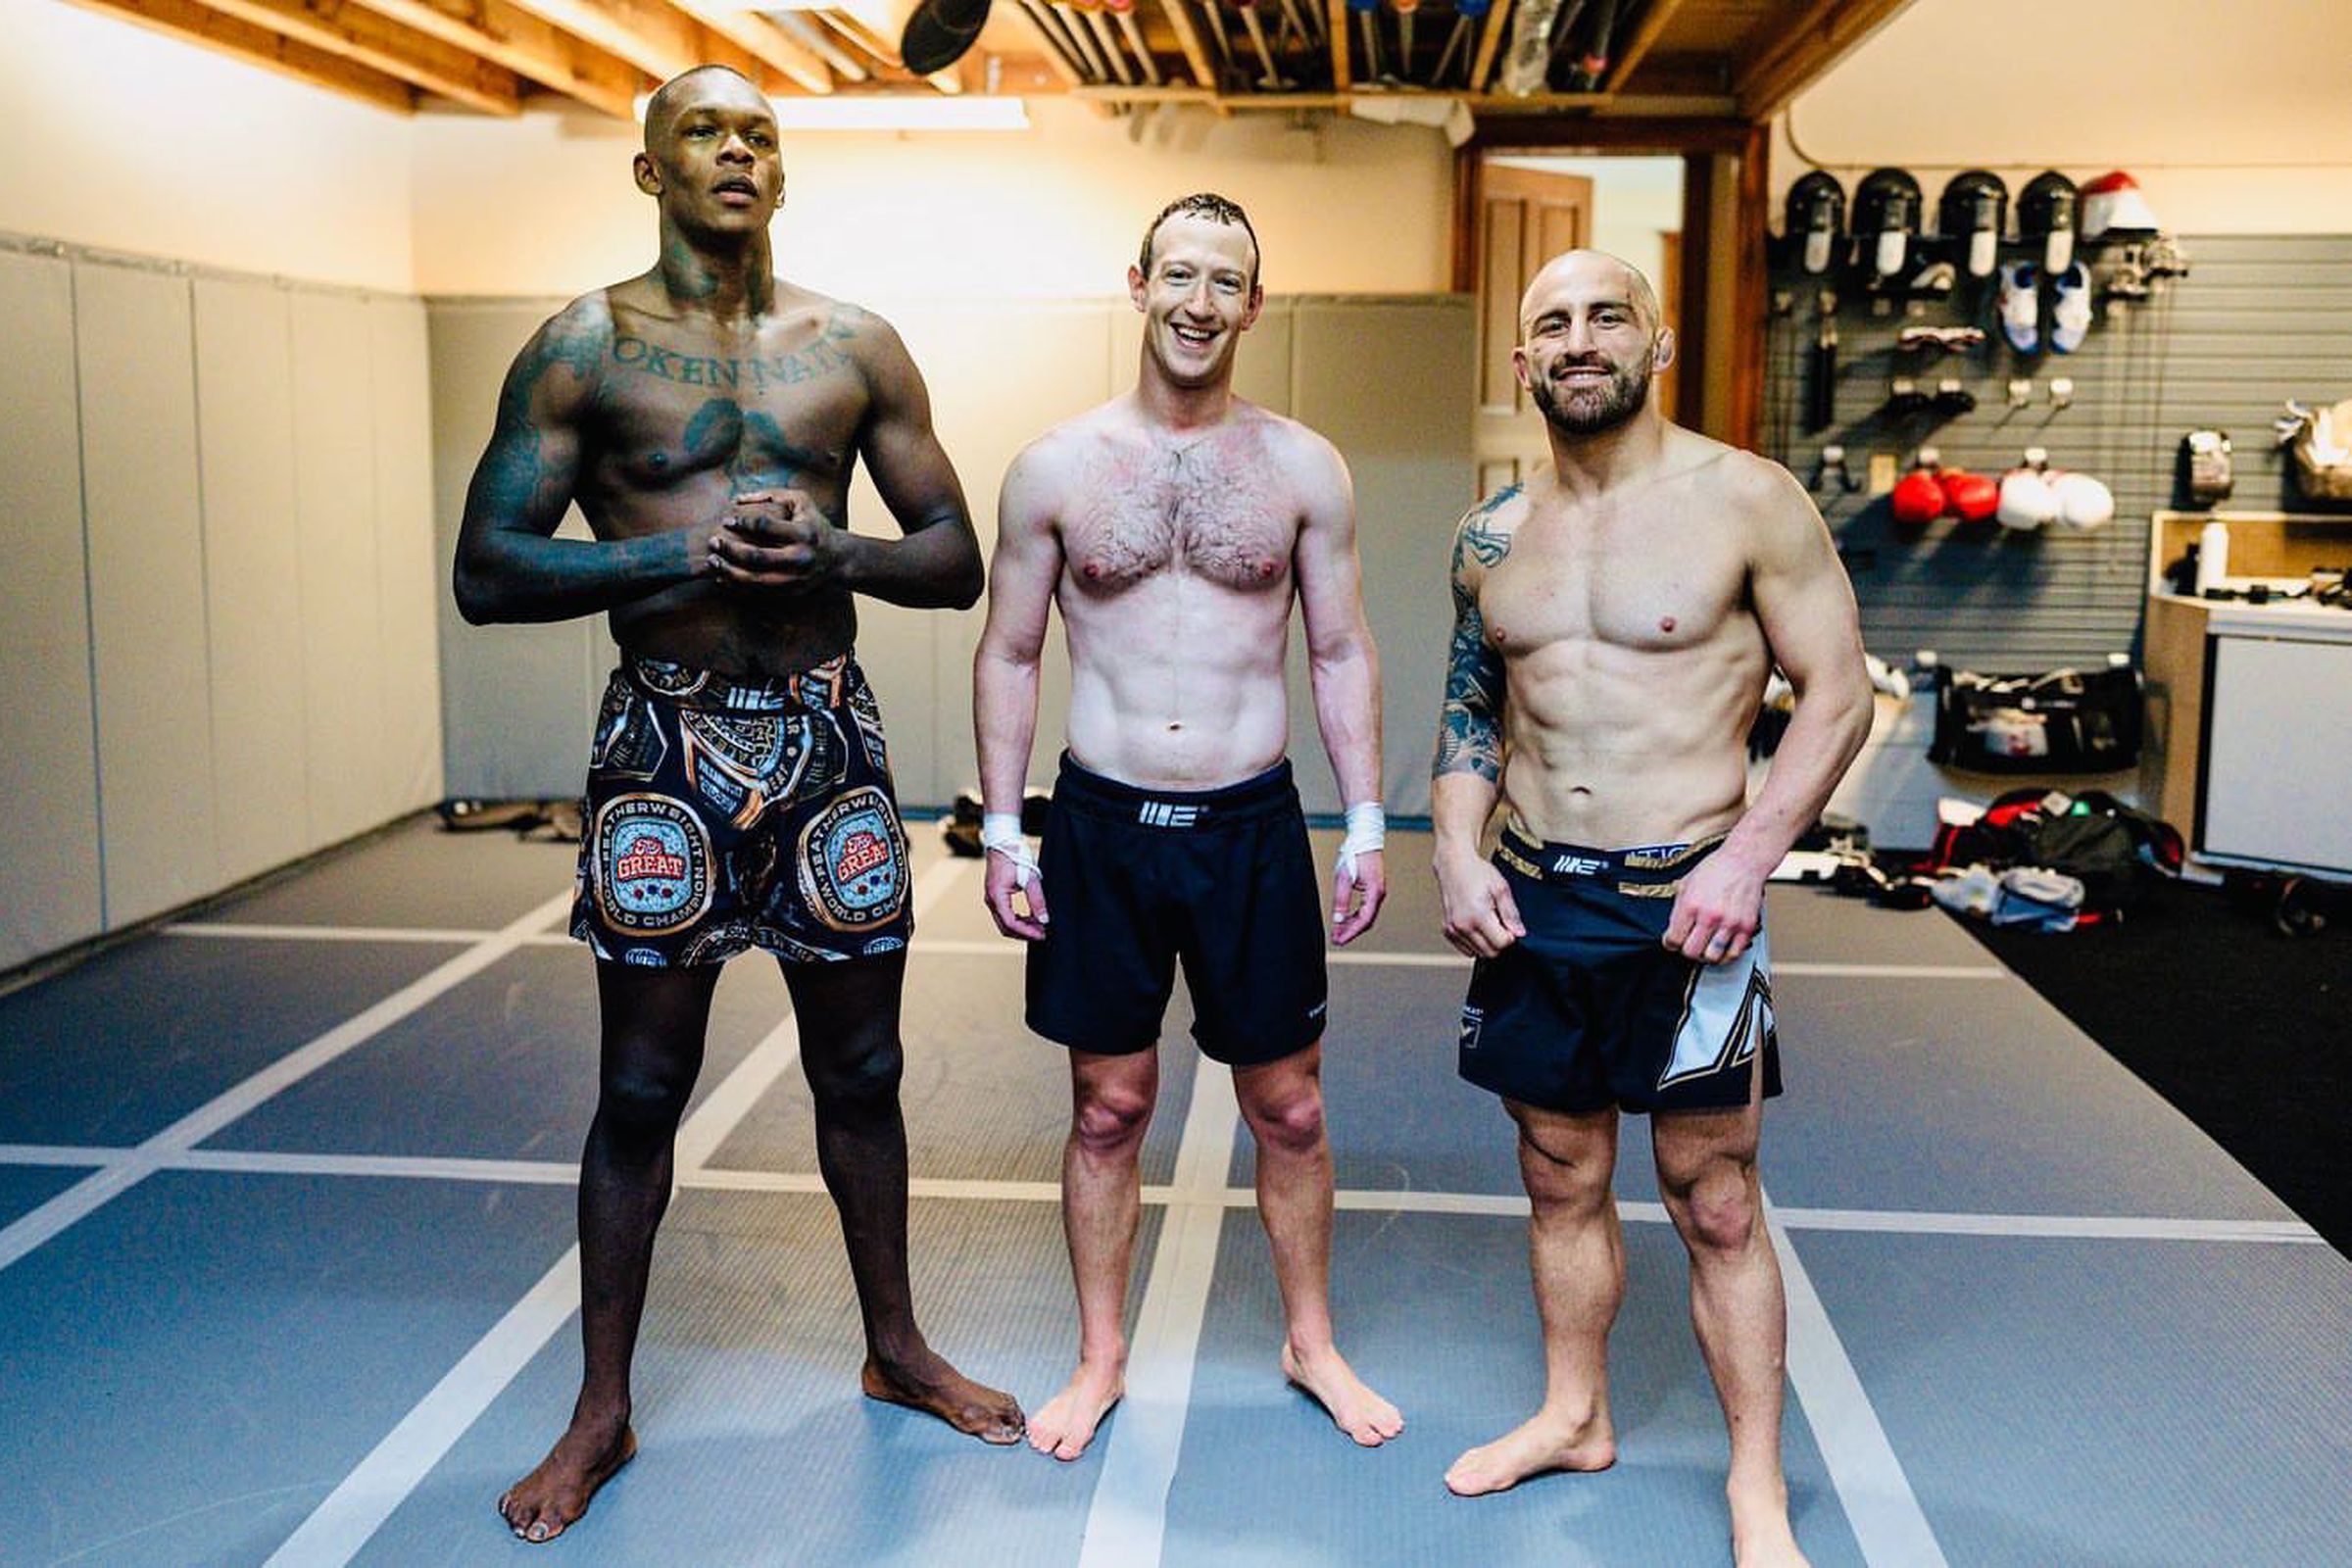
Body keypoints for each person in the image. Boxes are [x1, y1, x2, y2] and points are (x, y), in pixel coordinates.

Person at [452, 64, 1021, 1545]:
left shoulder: (855, 345)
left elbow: (954, 555)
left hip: (829, 736)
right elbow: (490, 571)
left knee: (869, 1072)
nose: (734, 152)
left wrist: (830, 553)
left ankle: (896, 1349)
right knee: (639, 1091)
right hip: (667, 744)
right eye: (702, 131)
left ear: (784, 170)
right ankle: (601, 1411)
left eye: (758, 133)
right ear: (651, 172)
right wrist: (681, 558)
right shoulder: (582, 348)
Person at [1431, 250, 1872, 1568]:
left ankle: (1755, 1488)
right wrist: (1456, 853)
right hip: (1536, 901)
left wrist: (1748, 860)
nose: (1578, 339)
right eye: (1550, 322)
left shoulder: (1749, 500)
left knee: (1716, 1197)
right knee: (1559, 1175)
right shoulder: (1491, 535)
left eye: (1605, 315)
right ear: (1523, 361)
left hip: (1691, 907)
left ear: (1655, 342)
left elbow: (1838, 692)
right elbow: (1469, 717)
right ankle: (1575, 1415)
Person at [971, 193, 1404, 1462]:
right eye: (1180, 275)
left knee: (1293, 1109)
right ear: (1140, 283)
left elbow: (1339, 648)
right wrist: (1006, 834)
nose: (1201, 301)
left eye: (1227, 282)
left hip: (1250, 828)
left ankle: (1310, 1340)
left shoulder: (1303, 467)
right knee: (1109, 1108)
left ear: (1254, 305)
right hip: (1101, 825)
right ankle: (1100, 1357)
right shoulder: (1055, 466)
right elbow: (1006, 652)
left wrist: (1368, 823)